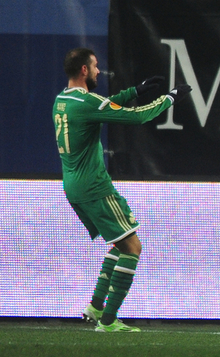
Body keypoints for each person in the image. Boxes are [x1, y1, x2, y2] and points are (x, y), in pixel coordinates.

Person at [53, 48, 191, 332]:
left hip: (73, 185)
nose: (98, 71)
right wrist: (169, 98)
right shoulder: (87, 102)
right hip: (94, 186)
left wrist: (134, 91)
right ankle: (108, 321)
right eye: (95, 66)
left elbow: (100, 107)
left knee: (119, 243)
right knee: (133, 247)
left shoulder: (62, 99)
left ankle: (96, 306)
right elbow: (137, 117)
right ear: (83, 70)